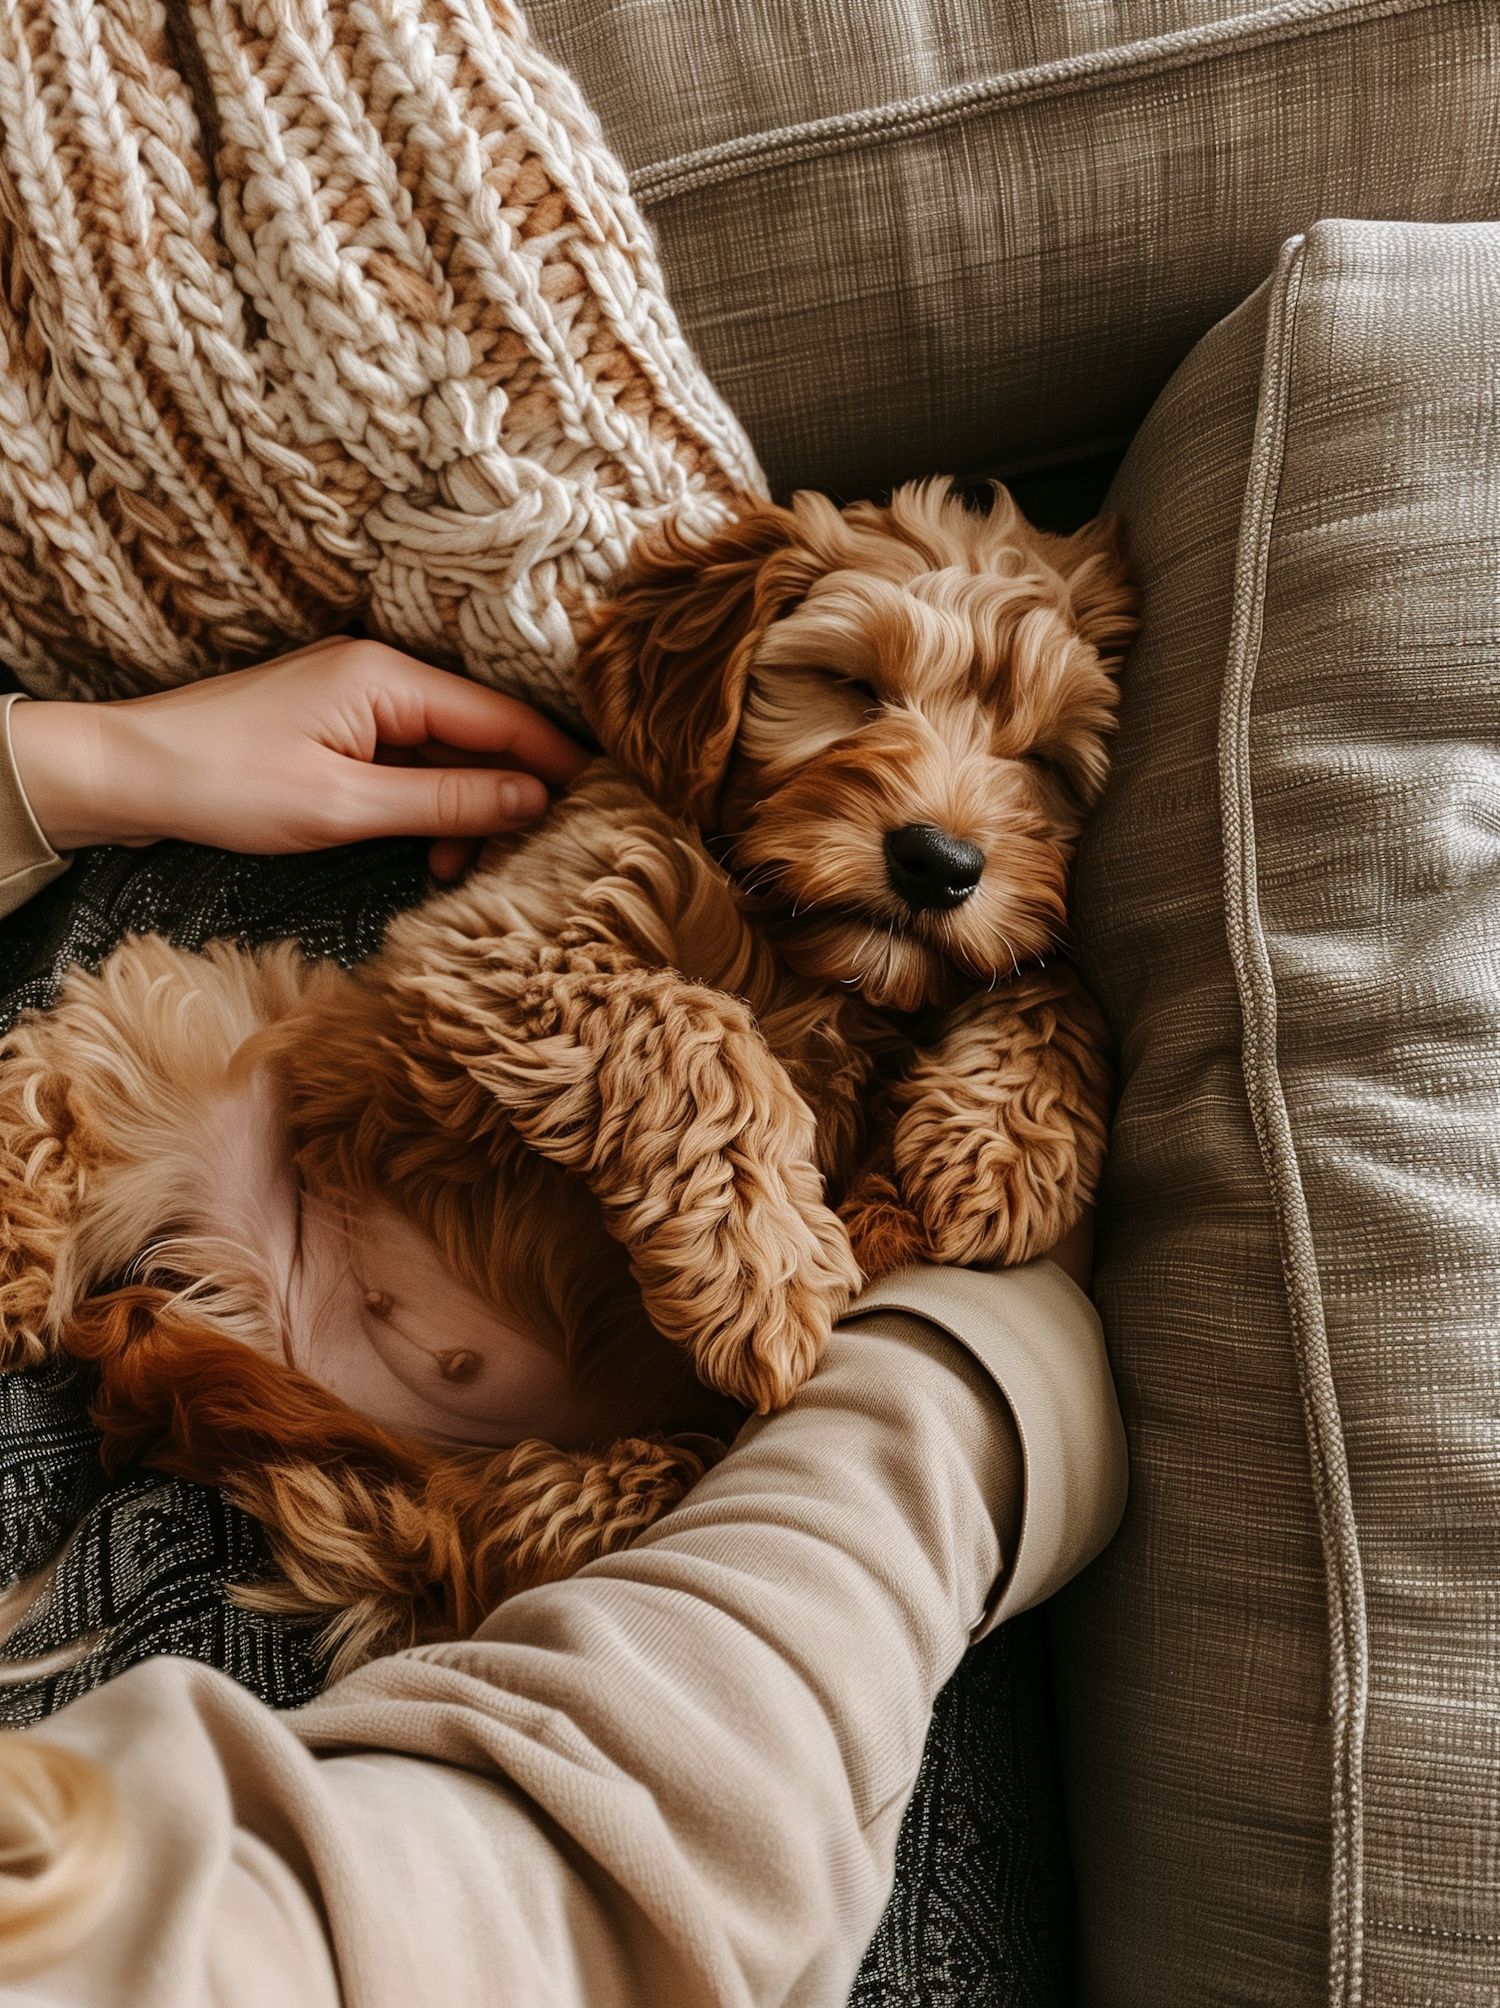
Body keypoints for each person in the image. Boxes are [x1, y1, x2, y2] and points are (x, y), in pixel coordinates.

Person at [0, 645, 1126, 2005]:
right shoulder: (648, 837)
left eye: (1044, 765)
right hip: (286, 1181)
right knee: (117, 1071)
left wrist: (72, 771)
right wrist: (964, 1376)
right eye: (857, 688)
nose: (945, 791)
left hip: (512, 1508)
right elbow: (498, 975)